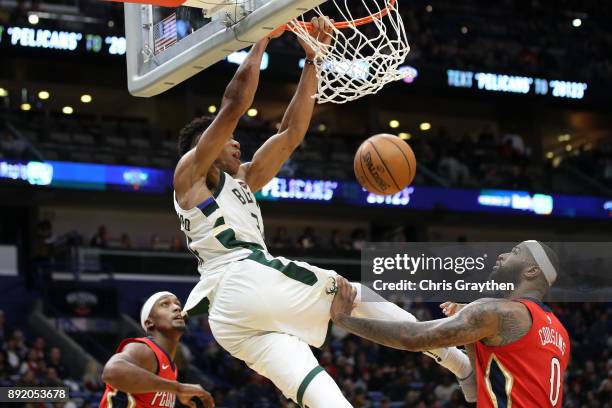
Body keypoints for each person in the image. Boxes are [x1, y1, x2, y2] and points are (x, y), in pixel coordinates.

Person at [172, 18, 473, 407]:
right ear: (204, 146)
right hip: (241, 277)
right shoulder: (191, 173)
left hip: (231, 319)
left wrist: (312, 62)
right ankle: (459, 363)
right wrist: (261, 37)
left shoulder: (242, 180)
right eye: (227, 139)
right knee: (356, 295)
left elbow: (290, 134)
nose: (236, 143)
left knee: (320, 393)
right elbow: (234, 104)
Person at [330, 240, 570, 407]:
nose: (502, 255)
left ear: (531, 271)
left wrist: (344, 320)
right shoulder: (559, 333)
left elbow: (412, 337)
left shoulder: (499, 310)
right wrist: (472, 337)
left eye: (515, 252)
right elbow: (479, 392)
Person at [100, 292, 214, 408]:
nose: (176, 308)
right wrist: (178, 388)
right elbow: (112, 372)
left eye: (177, 304)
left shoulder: (171, 368)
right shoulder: (144, 348)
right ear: (150, 322)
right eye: (165, 304)